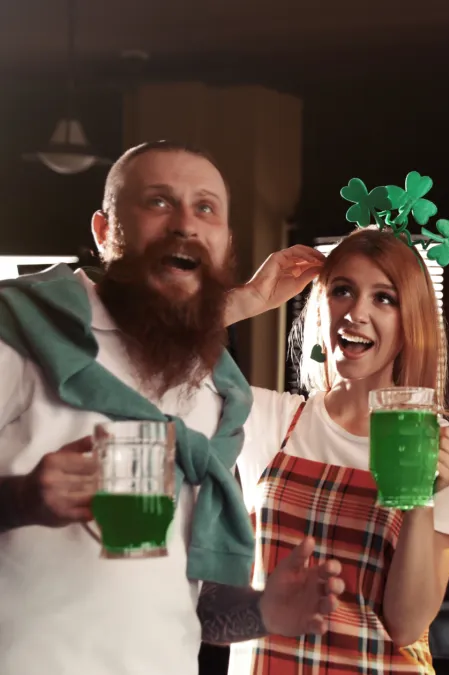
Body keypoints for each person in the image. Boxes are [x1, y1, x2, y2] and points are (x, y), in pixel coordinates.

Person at [0, 140, 343, 675]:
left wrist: (264, 611)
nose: (185, 223)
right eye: (158, 201)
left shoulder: (217, 394)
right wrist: (19, 499)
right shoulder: (22, 334)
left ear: (225, 241)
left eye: (205, 207)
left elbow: (196, 606)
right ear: (104, 230)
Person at [223, 198, 449, 672]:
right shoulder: (269, 419)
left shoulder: (448, 448)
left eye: (384, 298)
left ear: (410, 323)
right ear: (320, 306)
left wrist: (419, 496)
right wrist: (248, 299)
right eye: (342, 291)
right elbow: (158, 365)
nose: (357, 312)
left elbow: (405, 625)